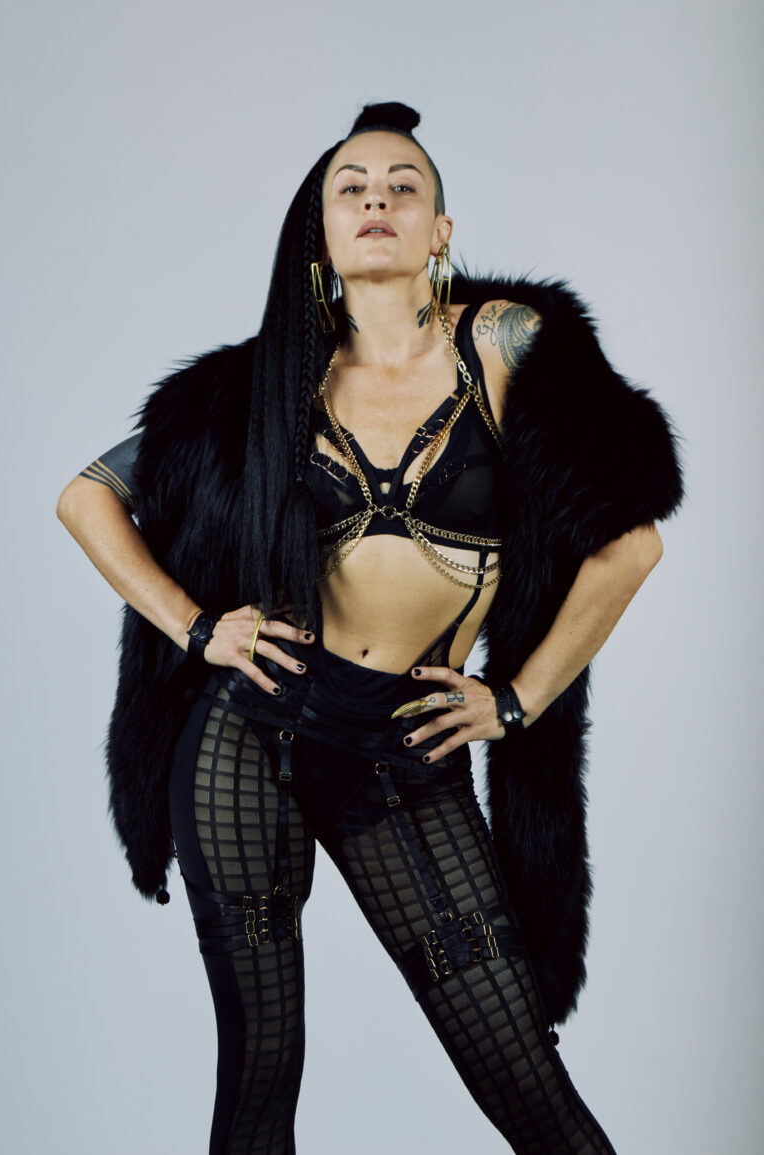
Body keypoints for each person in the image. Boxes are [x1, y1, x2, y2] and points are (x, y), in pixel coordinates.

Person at [56, 101, 683, 1155]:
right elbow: (86, 497)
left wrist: (517, 699)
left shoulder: (504, 346)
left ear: (441, 229)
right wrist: (198, 628)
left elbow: (632, 543)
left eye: (403, 184)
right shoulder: (258, 387)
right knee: (262, 1069)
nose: (376, 198)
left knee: (531, 1089)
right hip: (248, 737)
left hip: (406, 749)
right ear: (321, 232)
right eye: (350, 187)